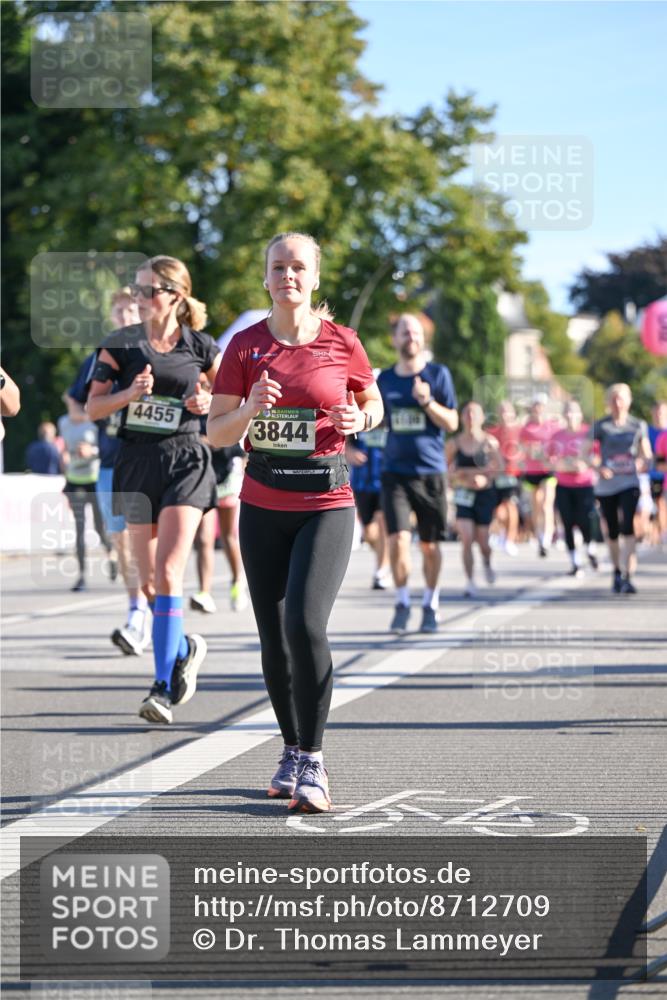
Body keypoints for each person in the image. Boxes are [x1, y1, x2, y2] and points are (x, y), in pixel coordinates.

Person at [208, 231, 383, 814]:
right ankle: (288, 749)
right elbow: (216, 432)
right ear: (266, 279)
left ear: (314, 278)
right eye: (278, 267)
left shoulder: (343, 341)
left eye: (298, 267)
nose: (288, 275)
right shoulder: (244, 347)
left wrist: (362, 416)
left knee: (306, 624)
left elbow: (372, 401)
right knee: (273, 637)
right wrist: (251, 408)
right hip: (262, 505)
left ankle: (313, 758)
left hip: (326, 501)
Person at [88, 255, 221, 723]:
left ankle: (162, 687)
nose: (140, 298)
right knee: (146, 584)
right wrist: (128, 394)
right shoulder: (119, 345)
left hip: (185, 460)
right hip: (135, 463)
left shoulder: (202, 346)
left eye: (148, 290)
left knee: (168, 571)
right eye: (137, 289)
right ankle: (184, 645)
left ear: (175, 295)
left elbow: (226, 398)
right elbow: (92, 408)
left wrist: (206, 401)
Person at [377, 313, 458, 634]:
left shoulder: (438, 375)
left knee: (430, 545)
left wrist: (427, 403)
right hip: (394, 471)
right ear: (395, 339)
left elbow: (452, 423)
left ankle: (430, 602)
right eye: (404, 332)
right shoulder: (385, 380)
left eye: (415, 332)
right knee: (397, 540)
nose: (410, 336)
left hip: (431, 471)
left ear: (422, 339)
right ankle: (401, 601)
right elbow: (375, 419)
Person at [593, 383, 652, 594]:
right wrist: (598, 466)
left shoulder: (638, 425)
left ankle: (628, 575)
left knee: (628, 526)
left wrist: (642, 462)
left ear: (628, 401)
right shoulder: (601, 426)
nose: (618, 403)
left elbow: (647, 453)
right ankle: (616, 571)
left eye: (622, 399)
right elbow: (586, 452)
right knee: (612, 530)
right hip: (607, 485)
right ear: (609, 402)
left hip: (629, 482)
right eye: (614, 399)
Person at [446, 402, 502, 598]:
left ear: (481, 418)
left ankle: (487, 561)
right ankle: (470, 581)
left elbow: (500, 467)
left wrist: (485, 478)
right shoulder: (455, 443)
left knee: (483, 541)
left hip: (484, 495)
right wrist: (455, 477)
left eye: (474, 413)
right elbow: (444, 469)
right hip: (463, 496)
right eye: (467, 413)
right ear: (462, 418)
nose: (470, 417)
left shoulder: (489, 442)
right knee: (467, 538)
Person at [58, 395, 113, 592]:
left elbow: (106, 448)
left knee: (100, 528)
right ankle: (81, 577)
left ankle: (111, 553)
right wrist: (64, 460)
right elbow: (64, 447)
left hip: (94, 479)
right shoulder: (63, 422)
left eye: (77, 402)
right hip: (75, 480)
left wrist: (92, 451)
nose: (74, 405)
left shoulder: (94, 421)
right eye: (71, 402)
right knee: (79, 529)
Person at [549, 399, 598, 576]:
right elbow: (548, 459)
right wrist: (559, 465)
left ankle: (590, 547)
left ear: (580, 415)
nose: (570, 416)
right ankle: (575, 562)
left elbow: (598, 458)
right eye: (567, 412)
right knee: (567, 522)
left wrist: (585, 464)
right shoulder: (557, 436)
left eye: (573, 412)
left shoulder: (588, 433)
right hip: (563, 484)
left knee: (585, 520)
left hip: (584, 484)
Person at [346, 423, 390, 589]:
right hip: (362, 482)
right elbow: (344, 441)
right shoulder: (358, 415)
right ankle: (384, 557)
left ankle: (382, 570)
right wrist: (349, 451)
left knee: (383, 523)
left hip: (387, 480)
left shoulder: (388, 414)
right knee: (370, 534)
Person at [519, 394, 559, 557]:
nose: (538, 409)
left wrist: (549, 456)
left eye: (540, 406)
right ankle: (539, 534)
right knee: (536, 505)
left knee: (546, 504)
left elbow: (558, 447)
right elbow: (521, 449)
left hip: (547, 470)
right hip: (531, 470)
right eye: (535, 405)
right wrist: (530, 451)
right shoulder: (526, 428)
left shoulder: (552, 426)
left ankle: (547, 539)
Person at [487, 400, 522, 555]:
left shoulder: (520, 431)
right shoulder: (492, 432)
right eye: (501, 411)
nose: (504, 414)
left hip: (512, 474)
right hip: (496, 475)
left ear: (513, 413)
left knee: (510, 505)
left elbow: (524, 452)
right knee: (497, 509)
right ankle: (499, 533)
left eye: (507, 411)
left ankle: (510, 539)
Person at [648, 401, 667, 545]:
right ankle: (659, 534)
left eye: (662, 411)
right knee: (657, 505)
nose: (659, 414)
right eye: (657, 411)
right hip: (653, 474)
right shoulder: (649, 431)